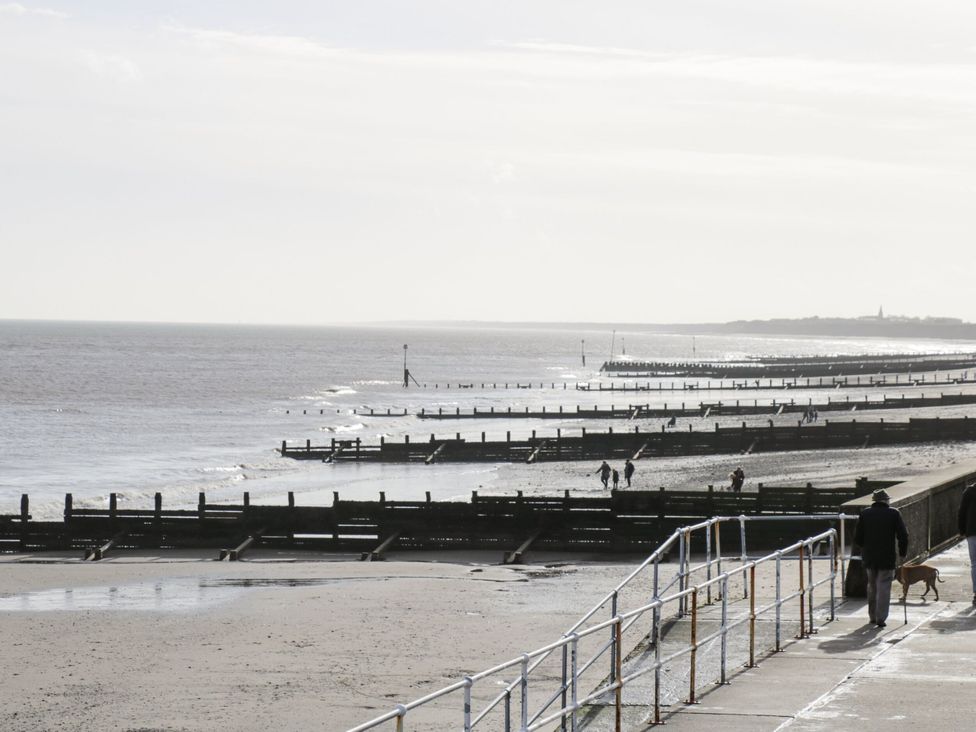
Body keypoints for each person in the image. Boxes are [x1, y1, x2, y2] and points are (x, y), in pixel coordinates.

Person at [854, 489, 909, 628]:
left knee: (872, 586)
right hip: (887, 557)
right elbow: (903, 535)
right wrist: (903, 552)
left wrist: (865, 547)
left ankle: (872, 616)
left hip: (869, 557)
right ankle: (881, 617)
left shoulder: (865, 514)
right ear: (886, 501)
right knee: (884, 587)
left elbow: (857, 538)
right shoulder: (894, 513)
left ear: (874, 501)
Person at [958, 482, 976, 605]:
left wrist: (962, 530)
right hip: (971, 532)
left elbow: (961, 512)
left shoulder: (969, 492)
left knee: (975, 564)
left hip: (972, 532)